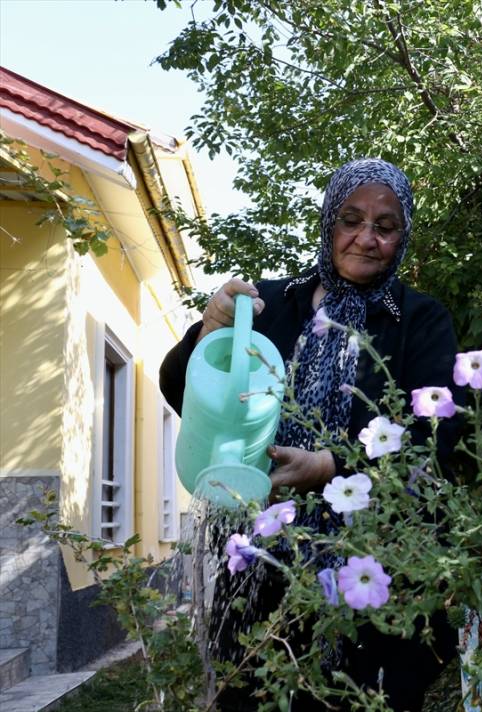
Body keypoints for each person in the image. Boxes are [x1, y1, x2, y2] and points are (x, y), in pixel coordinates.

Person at [160, 158, 461, 710]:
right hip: (266, 567)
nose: (366, 239)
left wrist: (330, 468)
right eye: (351, 219)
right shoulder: (270, 306)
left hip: (378, 567)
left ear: (403, 234)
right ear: (327, 223)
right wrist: (208, 330)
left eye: (386, 226)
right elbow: (185, 390)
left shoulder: (419, 321)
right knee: (257, 692)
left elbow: (431, 439)